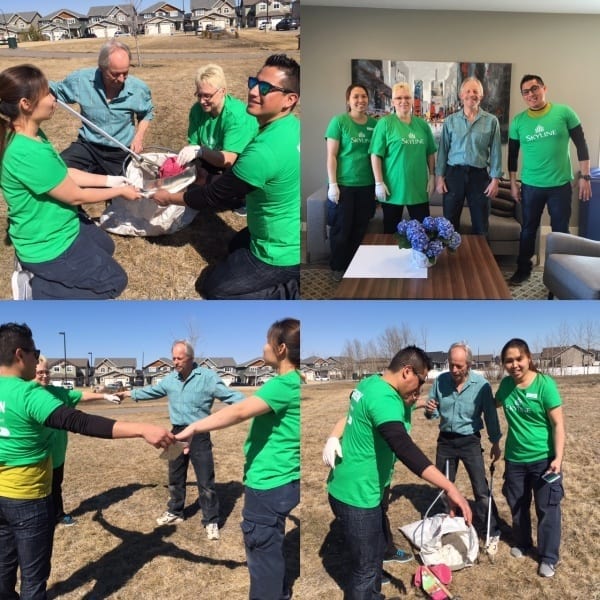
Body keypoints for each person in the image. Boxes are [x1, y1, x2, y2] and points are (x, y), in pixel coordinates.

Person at [0, 322, 174, 600]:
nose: (37, 359)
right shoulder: (27, 394)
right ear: (20, 354)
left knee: (3, 568)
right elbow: (79, 421)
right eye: (36, 352)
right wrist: (141, 428)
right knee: (33, 579)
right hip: (28, 498)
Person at [326, 346, 473, 599]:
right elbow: (404, 448)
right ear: (407, 371)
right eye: (421, 379)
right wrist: (449, 487)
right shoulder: (384, 399)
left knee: (372, 559)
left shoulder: (371, 383)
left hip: (357, 488)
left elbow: (358, 412)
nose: (421, 387)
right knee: (364, 569)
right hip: (357, 496)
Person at [152, 54, 300, 300]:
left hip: (282, 251)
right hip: (290, 230)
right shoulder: (292, 127)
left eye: (265, 88)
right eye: (254, 82)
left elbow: (214, 196)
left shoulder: (263, 151)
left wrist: (168, 197)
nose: (253, 91)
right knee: (233, 247)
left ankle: (294, 289)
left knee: (213, 287)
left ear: (289, 100)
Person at [175, 318, 300, 600]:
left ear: (281, 348)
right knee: (271, 542)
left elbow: (239, 411)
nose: (263, 347)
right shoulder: (295, 381)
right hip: (285, 480)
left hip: (268, 483)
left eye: (268, 341)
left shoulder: (283, 385)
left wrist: (195, 426)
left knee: (262, 550)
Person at [0, 64, 141, 300]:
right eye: (46, 93)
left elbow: (63, 174)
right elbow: (75, 195)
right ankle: (37, 291)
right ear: (26, 104)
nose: (53, 97)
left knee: (106, 247)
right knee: (114, 282)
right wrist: (120, 192)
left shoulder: (30, 133)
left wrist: (112, 180)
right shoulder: (25, 152)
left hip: (63, 224)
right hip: (48, 244)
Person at [124, 339, 244, 540]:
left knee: (205, 480)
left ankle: (211, 520)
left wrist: (258, 405)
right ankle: (175, 511)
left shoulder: (207, 377)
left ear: (190, 358)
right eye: (173, 358)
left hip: (199, 433)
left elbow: (229, 395)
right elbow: (151, 391)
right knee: (175, 476)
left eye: (179, 358)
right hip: (176, 433)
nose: (175, 362)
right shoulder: (170, 379)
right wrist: (129, 393)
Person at [323, 391, 425, 569]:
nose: (415, 398)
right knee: (367, 527)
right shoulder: (383, 404)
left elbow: (416, 403)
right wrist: (332, 437)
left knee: (380, 513)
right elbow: (347, 418)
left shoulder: (405, 403)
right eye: (412, 394)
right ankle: (372, 566)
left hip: (381, 476)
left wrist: (427, 402)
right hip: (363, 479)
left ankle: (386, 552)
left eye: (418, 393)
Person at [507, 74, 592, 285]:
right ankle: (523, 268)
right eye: (526, 92)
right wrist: (513, 184)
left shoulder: (564, 113)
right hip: (531, 186)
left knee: (561, 231)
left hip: (560, 186)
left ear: (544, 88)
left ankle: (561, 272)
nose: (531, 94)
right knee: (528, 229)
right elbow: (512, 156)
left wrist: (585, 176)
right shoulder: (518, 121)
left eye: (534, 88)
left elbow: (582, 144)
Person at [495, 338, 565, 578]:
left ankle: (548, 557)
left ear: (529, 359)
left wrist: (558, 458)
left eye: (518, 359)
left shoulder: (545, 385)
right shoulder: (505, 386)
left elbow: (558, 424)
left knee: (547, 509)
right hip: (514, 459)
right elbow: (489, 404)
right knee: (517, 504)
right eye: (508, 361)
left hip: (543, 459)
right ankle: (523, 542)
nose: (514, 365)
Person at [424, 342, 502, 554]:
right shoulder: (441, 381)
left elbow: (491, 416)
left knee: (481, 489)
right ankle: (448, 526)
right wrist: (431, 410)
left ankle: (492, 531)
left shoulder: (482, 386)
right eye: (451, 365)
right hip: (446, 441)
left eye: (459, 365)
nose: (454, 370)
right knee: (443, 487)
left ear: (469, 364)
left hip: (470, 442)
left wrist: (495, 442)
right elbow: (431, 412)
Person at [35, 355, 123, 526]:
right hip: (38, 455)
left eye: (47, 372)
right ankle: (41, 519)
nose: (45, 375)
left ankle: (58, 514)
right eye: (40, 372)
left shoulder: (57, 392)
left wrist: (105, 397)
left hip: (57, 453)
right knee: (38, 490)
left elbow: (80, 395)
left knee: (55, 486)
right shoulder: (26, 395)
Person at [51, 40, 154, 176]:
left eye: (125, 73)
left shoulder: (138, 89)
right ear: (102, 68)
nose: (122, 79)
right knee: (56, 171)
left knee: (127, 191)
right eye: (115, 74)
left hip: (121, 151)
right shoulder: (81, 80)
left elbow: (146, 113)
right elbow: (56, 91)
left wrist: (138, 137)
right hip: (88, 146)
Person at [435, 77, 502, 236]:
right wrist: (439, 177)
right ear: (461, 95)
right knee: (449, 224)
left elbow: (496, 152)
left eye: (475, 91)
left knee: (481, 224)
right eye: (468, 91)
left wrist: (495, 180)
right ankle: (451, 259)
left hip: (479, 177)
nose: (471, 94)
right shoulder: (450, 121)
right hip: (454, 175)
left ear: (481, 95)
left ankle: (481, 260)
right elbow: (443, 150)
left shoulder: (491, 121)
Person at [325, 84, 377, 281]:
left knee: (360, 228)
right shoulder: (338, 122)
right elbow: (331, 155)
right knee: (341, 230)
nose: (360, 100)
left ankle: (355, 266)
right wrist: (333, 184)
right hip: (344, 186)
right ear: (348, 100)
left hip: (367, 185)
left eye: (364, 96)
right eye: (356, 96)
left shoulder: (374, 124)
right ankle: (337, 268)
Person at [370, 82, 437, 233]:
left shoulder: (422, 125)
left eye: (407, 97)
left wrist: (432, 175)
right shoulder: (384, 124)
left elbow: (430, 152)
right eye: (398, 98)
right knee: (391, 234)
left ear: (412, 100)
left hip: (418, 189)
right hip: (393, 189)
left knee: (423, 233)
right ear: (393, 101)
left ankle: (420, 258)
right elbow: (375, 155)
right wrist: (379, 182)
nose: (403, 101)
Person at [176, 63, 258, 173]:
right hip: (213, 164)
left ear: (222, 91)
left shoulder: (236, 116)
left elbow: (228, 160)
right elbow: (194, 144)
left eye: (207, 96)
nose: (201, 101)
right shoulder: (197, 110)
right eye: (199, 95)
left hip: (241, 169)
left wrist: (201, 151)